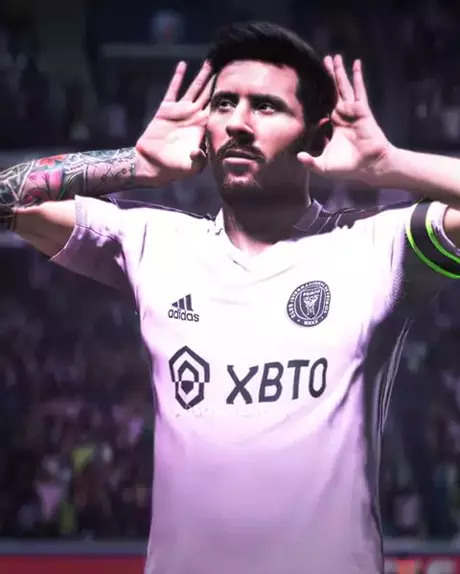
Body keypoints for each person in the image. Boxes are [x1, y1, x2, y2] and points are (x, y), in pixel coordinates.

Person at [1, 20, 460, 574]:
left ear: (317, 137)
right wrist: (135, 165)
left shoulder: (375, 246)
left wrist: (392, 165)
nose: (238, 123)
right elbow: (6, 200)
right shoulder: (154, 242)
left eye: (266, 107)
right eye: (223, 104)